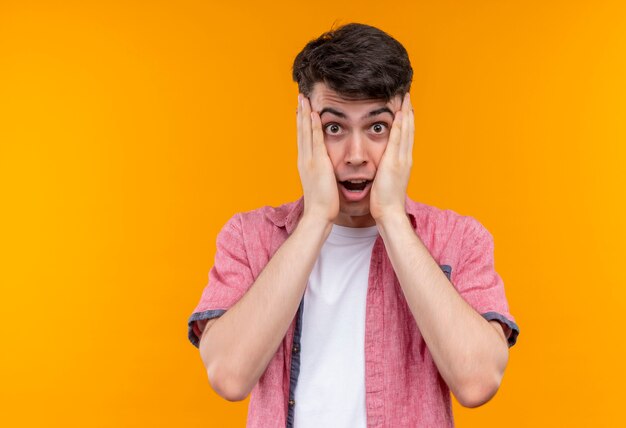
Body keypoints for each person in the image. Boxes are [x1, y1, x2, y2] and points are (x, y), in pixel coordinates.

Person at [187, 23, 519, 427]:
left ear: (405, 126)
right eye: (334, 128)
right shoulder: (249, 237)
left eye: (377, 127)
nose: (356, 154)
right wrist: (315, 220)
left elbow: (477, 382)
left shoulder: (458, 240)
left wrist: (393, 217)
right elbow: (229, 376)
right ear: (304, 126)